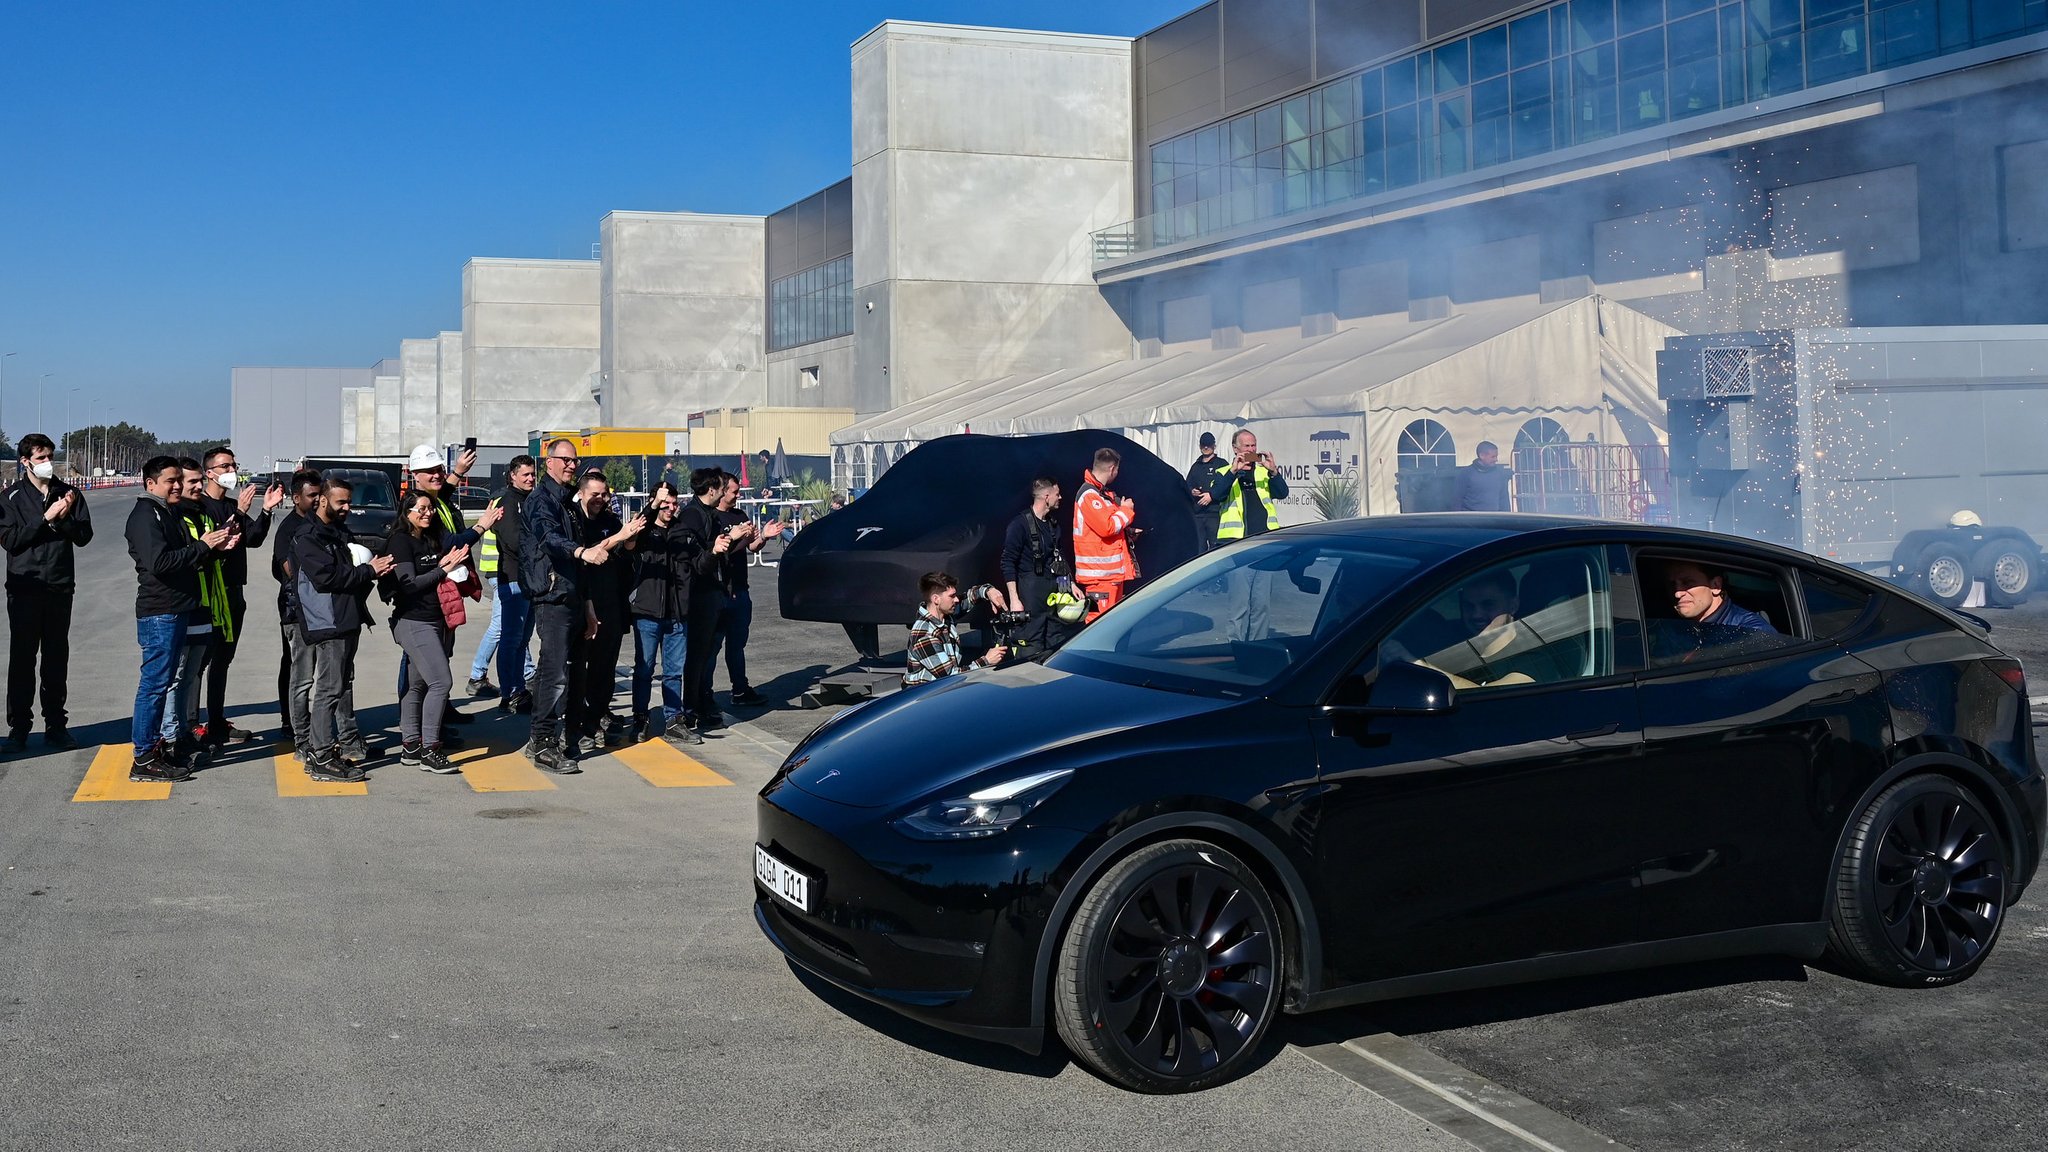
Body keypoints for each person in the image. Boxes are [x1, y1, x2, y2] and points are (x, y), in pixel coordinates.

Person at [125, 456, 229, 781]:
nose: (178, 486)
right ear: (150, 483)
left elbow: (186, 557)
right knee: (155, 685)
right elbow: (160, 562)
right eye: (171, 480)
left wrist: (212, 547)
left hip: (177, 608)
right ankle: (143, 756)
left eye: (178, 480)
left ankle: (157, 748)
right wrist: (200, 547)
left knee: (167, 681)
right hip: (161, 611)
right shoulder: (146, 515)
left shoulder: (168, 512)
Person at [294, 475, 394, 782]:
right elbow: (328, 578)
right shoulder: (308, 536)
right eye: (342, 502)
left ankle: (325, 749)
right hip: (329, 622)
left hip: (346, 618)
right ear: (322, 500)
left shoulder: (335, 530)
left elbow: (346, 571)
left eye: (349, 501)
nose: (347, 508)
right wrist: (367, 570)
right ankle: (321, 755)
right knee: (328, 689)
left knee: (338, 686)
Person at [1, 433, 93, 752]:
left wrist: (63, 521)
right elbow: (11, 541)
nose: (47, 463)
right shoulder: (10, 498)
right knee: (23, 659)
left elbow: (84, 536)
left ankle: (56, 724)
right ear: (25, 462)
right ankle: (19, 728)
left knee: (56, 657)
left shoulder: (70, 494)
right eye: (40, 458)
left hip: (59, 586)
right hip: (24, 589)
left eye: (50, 456)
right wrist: (46, 519)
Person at [399, 444, 501, 723]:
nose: (437, 475)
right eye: (429, 471)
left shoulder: (431, 499)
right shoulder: (418, 507)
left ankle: (439, 710)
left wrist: (456, 473)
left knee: (441, 652)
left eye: (439, 470)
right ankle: (419, 720)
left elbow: (441, 494)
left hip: (445, 586)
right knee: (419, 661)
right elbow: (450, 543)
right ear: (414, 475)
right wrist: (481, 525)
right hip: (429, 589)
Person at [195, 445, 286, 746]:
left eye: (233, 465)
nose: (231, 472)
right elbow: (216, 541)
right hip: (208, 597)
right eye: (224, 467)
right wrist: (241, 512)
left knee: (223, 660)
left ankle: (217, 720)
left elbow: (254, 539)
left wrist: (267, 510)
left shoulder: (233, 506)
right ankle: (191, 725)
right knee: (199, 662)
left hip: (234, 593)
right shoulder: (199, 507)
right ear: (208, 472)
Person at [384, 491, 469, 774]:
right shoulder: (400, 541)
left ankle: (410, 745)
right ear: (406, 512)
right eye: (420, 508)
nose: (427, 513)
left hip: (436, 620)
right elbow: (409, 584)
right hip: (412, 621)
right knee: (441, 683)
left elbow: (456, 548)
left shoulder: (431, 537)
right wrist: (443, 569)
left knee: (418, 684)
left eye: (430, 508)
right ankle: (431, 749)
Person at [521, 437, 591, 774]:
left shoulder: (568, 502)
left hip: (574, 597)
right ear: (548, 462)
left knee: (576, 673)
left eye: (575, 461)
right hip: (552, 598)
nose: (571, 465)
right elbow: (548, 537)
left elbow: (582, 558)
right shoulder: (541, 501)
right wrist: (579, 551)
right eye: (565, 460)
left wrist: (589, 607)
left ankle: (568, 737)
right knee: (553, 673)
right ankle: (542, 741)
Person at [566, 469, 645, 756]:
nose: (600, 499)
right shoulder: (574, 519)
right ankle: (575, 725)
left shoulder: (611, 520)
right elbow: (585, 553)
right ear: (582, 494)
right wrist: (619, 537)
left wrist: (630, 539)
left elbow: (625, 556)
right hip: (585, 605)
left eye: (604, 494)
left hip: (613, 604)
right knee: (579, 671)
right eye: (594, 494)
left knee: (604, 670)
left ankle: (596, 717)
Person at [627, 481, 712, 745]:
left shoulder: (683, 531)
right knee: (644, 669)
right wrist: (651, 507)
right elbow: (629, 542)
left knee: (674, 671)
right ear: (656, 501)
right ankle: (640, 718)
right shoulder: (644, 529)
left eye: (674, 503)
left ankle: (674, 721)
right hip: (647, 612)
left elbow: (700, 564)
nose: (671, 508)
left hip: (677, 614)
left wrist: (717, 552)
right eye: (666, 503)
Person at [162, 458, 232, 768]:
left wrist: (219, 548)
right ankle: (170, 738)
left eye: (193, 482)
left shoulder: (202, 514)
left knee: (191, 675)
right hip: (183, 606)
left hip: (205, 607)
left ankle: (187, 731)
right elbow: (171, 560)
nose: (192, 487)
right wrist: (206, 547)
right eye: (186, 482)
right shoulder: (173, 517)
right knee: (175, 677)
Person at [469, 454, 538, 709]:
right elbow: (514, 540)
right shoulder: (509, 502)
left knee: (521, 640)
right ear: (512, 476)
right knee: (509, 637)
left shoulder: (527, 500)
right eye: (525, 475)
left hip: (528, 580)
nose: (530, 478)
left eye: (532, 474)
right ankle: (510, 692)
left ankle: (518, 687)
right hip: (512, 580)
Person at [1209, 428, 1290, 639]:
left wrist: (1274, 472)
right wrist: (1234, 472)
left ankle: (1257, 647)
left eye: (1254, 445)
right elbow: (1217, 494)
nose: (1252, 450)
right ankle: (1234, 647)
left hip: (1265, 545)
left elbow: (1282, 493)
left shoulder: (1264, 471)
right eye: (1247, 446)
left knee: (1261, 605)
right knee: (1239, 606)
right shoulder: (1224, 472)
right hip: (1238, 546)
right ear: (1235, 449)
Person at [711, 471, 780, 708]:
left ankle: (740, 689)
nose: (738, 495)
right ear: (721, 491)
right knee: (712, 647)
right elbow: (720, 551)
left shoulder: (740, 514)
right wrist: (738, 538)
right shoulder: (711, 517)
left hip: (741, 590)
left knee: (737, 645)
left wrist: (764, 538)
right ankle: (704, 694)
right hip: (719, 592)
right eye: (734, 491)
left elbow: (752, 547)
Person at [678, 467, 738, 734]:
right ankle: (691, 710)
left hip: (714, 592)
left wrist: (733, 538)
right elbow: (698, 561)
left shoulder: (709, 515)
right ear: (711, 490)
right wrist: (718, 545)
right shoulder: (692, 515)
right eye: (722, 489)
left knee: (705, 656)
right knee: (696, 657)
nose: (724, 493)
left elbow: (717, 550)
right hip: (699, 595)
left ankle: (702, 704)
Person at [271, 470, 322, 757]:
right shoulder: (289, 528)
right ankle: (290, 721)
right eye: (311, 495)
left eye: (319, 494)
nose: (316, 500)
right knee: (295, 667)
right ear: (296, 498)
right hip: (295, 607)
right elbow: (285, 569)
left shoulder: (319, 524)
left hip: (322, 607)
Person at [1648, 559, 1780, 664]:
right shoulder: (1671, 628)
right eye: (1672, 584)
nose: (1677, 593)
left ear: (1716, 586)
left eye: (1687, 583)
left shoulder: (1750, 632)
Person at [1001, 477, 1075, 657]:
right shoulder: (1019, 525)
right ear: (1046, 496)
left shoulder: (1053, 525)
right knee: (1031, 646)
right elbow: (1007, 562)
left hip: (1053, 592)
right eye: (1057, 494)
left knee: (1056, 641)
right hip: (1030, 594)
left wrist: (1070, 586)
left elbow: (1059, 559)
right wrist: (1014, 600)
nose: (1061, 497)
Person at [904, 571, 1009, 687]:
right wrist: (986, 660)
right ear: (936, 599)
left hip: (942, 689)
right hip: (924, 697)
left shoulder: (945, 614)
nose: (956, 600)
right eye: (952, 596)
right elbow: (951, 676)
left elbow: (971, 597)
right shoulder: (924, 635)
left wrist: (989, 591)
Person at [1072, 447, 1136, 624]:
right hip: (1099, 576)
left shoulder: (1102, 495)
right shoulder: (1089, 496)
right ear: (1112, 469)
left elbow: (1111, 528)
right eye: (1117, 470)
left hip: (1109, 575)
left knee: (1112, 624)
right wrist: (1127, 510)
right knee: (1098, 625)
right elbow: (1107, 527)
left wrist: (1128, 532)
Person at [1185, 432, 1228, 551]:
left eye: (1208, 445)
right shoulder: (1196, 466)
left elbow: (1225, 485)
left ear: (1214, 446)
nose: (1206, 447)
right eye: (1203, 445)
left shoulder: (1221, 463)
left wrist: (1212, 495)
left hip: (1215, 513)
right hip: (1198, 513)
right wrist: (1192, 491)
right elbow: (1187, 485)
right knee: (1199, 548)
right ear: (1200, 446)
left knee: (1216, 547)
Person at [1457, 441, 1513, 512]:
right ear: (1482, 455)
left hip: (1493, 520)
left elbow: (1504, 500)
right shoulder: (1466, 473)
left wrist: (1507, 519)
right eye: (1493, 457)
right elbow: (1457, 499)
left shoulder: (1499, 474)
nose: (1496, 460)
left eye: (1496, 456)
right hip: (1471, 520)